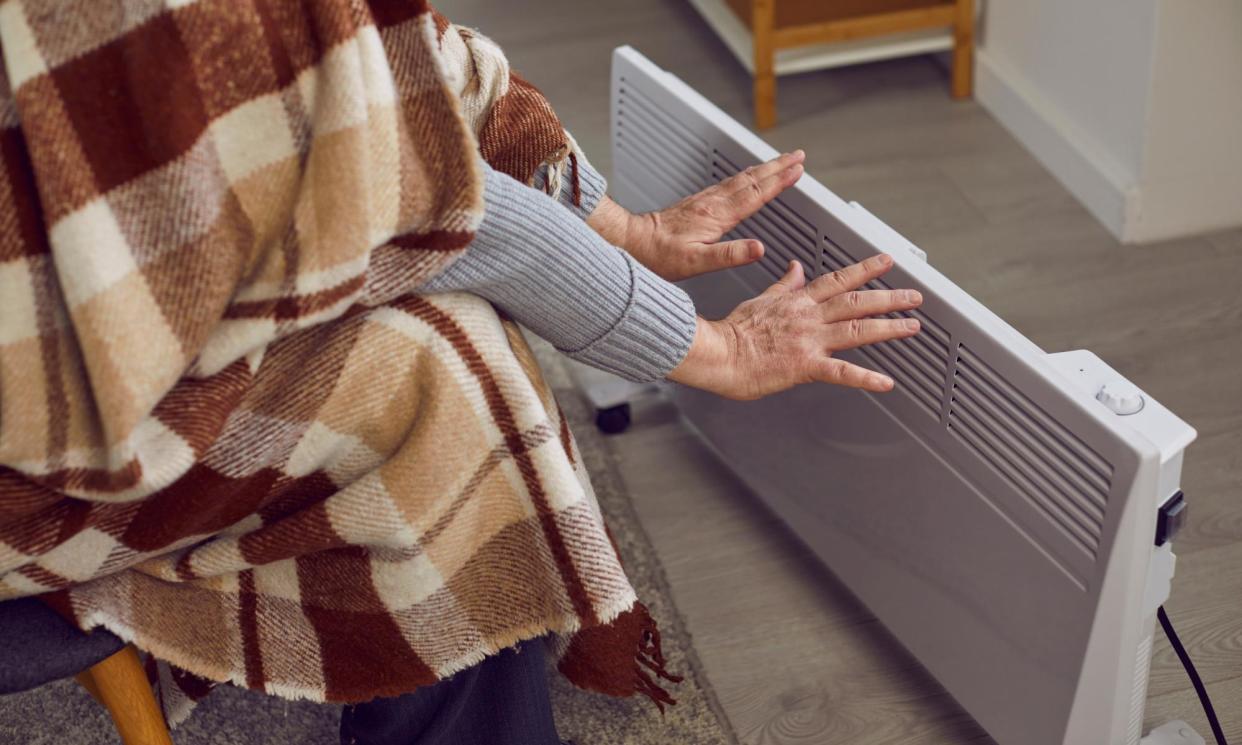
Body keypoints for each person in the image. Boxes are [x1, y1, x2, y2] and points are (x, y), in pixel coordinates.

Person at [0, 2, 921, 744]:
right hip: (29, 469)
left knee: (437, 345)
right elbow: (417, 212)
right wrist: (713, 349)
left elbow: (406, 64)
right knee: (445, 373)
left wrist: (619, 229)